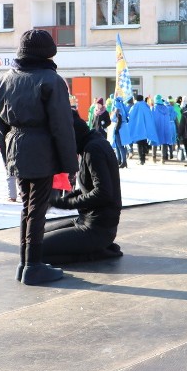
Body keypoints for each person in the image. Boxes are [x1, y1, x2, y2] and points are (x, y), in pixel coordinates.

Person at [0, 29, 78, 285]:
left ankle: (26, 263)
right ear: (48, 52)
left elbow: (0, 125)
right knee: (37, 209)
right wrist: (70, 165)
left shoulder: (4, 80)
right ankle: (33, 265)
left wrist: (8, 156)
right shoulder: (51, 80)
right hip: (41, 149)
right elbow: (62, 126)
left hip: (17, 147)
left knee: (28, 207)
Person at [45, 112, 123, 264]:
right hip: (85, 220)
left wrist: (66, 204)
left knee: (36, 252)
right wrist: (61, 200)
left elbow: (103, 193)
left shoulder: (93, 150)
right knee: (35, 239)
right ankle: (94, 248)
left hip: (98, 229)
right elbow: (89, 188)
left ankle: (97, 253)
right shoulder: (90, 144)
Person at [127, 95, 158, 165]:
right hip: (145, 129)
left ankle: (141, 159)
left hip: (137, 128)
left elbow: (130, 115)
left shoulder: (134, 107)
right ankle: (144, 155)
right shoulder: (146, 106)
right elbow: (150, 116)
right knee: (144, 142)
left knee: (139, 144)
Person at [110, 96, 130, 168]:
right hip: (121, 128)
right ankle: (119, 160)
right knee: (118, 146)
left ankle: (123, 161)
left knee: (120, 146)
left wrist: (116, 130)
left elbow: (119, 120)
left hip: (119, 129)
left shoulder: (118, 108)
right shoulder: (122, 107)